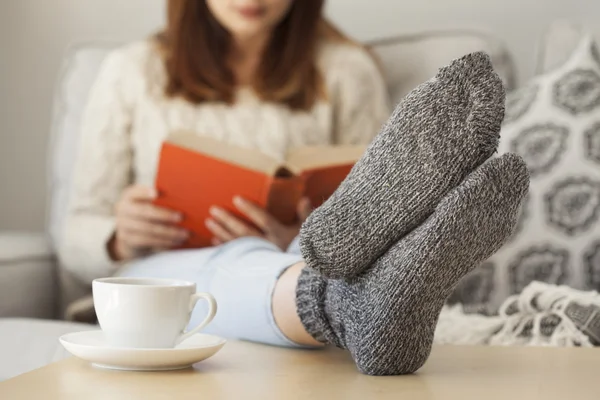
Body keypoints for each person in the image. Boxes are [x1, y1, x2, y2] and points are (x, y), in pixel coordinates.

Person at [59, 0, 529, 376]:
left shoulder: (346, 70)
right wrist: (119, 234)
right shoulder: (132, 70)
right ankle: (345, 300)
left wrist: (294, 236)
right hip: (156, 274)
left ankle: (339, 259)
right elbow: (75, 227)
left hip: (288, 254)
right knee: (217, 270)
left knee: (278, 254)